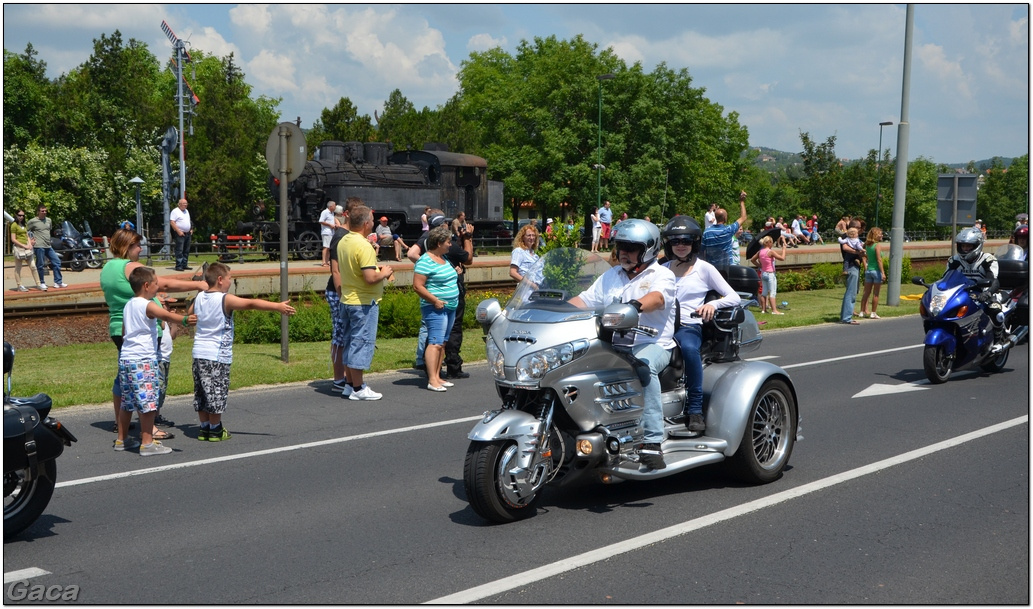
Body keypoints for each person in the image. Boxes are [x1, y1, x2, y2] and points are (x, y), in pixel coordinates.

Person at [568, 219, 675, 470]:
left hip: (653, 343)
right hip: (614, 344)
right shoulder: (611, 275)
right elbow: (584, 300)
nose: (623, 252)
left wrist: (635, 306)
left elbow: (658, 298)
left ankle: (652, 442)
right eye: (620, 246)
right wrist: (556, 311)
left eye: (630, 246)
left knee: (643, 367)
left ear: (648, 249)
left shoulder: (662, 275)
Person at [101, 229, 208, 438]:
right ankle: (150, 429)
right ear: (127, 246)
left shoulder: (107, 268)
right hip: (142, 331)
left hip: (119, 327)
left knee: (123, 379)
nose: (141, 249)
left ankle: (120, 425)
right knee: (147, 379)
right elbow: (163, 284)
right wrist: (197, 284)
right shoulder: (131, 267)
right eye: (137, 245)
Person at [188, 263, 296, 441]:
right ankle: (215, 429)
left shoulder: (199, 297)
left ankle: (204, 427)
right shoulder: (224, 299)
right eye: (230, 278)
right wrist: (277, 306)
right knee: (217, 391)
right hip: (217, 355)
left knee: (201, 392)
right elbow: (251, 303)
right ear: (220, 279)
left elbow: (191, 313)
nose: (231, 281)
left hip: (199, 353)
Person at [662, 216, 739, 434]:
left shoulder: (704, 269)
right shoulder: (662, 269)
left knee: (688, 349)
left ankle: (695, 409)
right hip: (661, 326)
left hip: (688, 325)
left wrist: (713, 303)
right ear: (669, 244)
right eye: (676, 241)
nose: (681, 245)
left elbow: (733, 297)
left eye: (686, 241)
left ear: (694, 243)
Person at [114, 266, 198, 455]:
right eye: (156, 283)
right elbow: (166, 315)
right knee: (148, 403)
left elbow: (123, 332)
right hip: (143, 360)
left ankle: (122, 439)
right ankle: (147, 443)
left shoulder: (129, 304)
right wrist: (185, 320)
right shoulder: (148, 304)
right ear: (146, 285)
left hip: (127, 359)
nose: (158, 287)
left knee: (127, 402)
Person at [336, 204, 395, 400]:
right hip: (363, 301)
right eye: (371, 219)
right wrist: (384, 272)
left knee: (349, 341)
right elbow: (369, 277)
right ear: (366, 223)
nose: (373, 222)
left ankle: (350, 384)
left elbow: (356, 270)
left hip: (347, 299)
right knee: (361, 343)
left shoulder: (344, 241)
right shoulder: (364, 245)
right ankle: (359, 388)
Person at [412, 225, 460, 392]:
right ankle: (432, 379)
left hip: (450, 306)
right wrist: (435, 300)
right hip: (436, 308)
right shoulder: (425, 261)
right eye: (448, 242)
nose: (450, 244)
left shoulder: (444, 258)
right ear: (439, 243)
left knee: (443, 343)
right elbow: (418, 286)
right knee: (435, 342)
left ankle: (438, 376)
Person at [407, 209, 447, 374]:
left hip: (432, 283)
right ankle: (422, 359)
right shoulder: (429, 237)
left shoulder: (430, 236)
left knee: (429, 323)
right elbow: (411, 253)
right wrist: (431, 264)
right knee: (427, 323)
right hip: (431, 284)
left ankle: (425, 358)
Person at [444, 215, 475, 380]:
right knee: (454, 328)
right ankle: (453, 366)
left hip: (436, 294)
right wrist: (468, 238)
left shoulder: (426, 242)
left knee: (436, 331)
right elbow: (468, 258)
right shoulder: (448, 247)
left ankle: (431, 368)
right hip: (453, 293)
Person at [326, 203, 352, 394]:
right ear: (348, 214)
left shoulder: (350, 236)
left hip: (347, 290)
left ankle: (347, 377)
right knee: (340, 335)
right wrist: (341, 294)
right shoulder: (339, 236)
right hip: (338, 291)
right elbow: (335, 270)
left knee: (346, 335)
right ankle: (338, 379)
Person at [701, 190, 748, 271]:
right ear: (725, 218)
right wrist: (742, 202)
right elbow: (743, 217)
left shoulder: (707, 232)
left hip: (712, 269)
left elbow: (702, 251)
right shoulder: (728, 230)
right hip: (727, 268)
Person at [25, 204, 67, 289]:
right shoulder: (32, 221)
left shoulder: (49, 220)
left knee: (57, 262)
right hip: (39, 246)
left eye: (45, 211)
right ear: (38, 212)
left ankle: (58, 282)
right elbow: (25, 230)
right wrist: (30, 240)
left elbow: (48, 230)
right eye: (42, 211)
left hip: (48, 245)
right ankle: (41, 282)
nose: (44, 212)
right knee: (40, 264)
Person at [750, 235, 787, 315]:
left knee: (764, 292)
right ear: (769, 243)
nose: (772, 243)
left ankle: (763, 310)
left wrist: (760, 266)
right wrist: (784, 250)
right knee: (772, 292)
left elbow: (752, 260)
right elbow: (782, 258)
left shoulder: (760, 252)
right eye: (772, 242)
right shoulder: (770, 252)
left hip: (763, 273)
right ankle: (774, 310)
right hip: (770, 274)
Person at [9, 210, 42, 292]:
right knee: (18, 268)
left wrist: (30, 243)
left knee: (33, 266)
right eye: (19, 215)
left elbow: (26, 235)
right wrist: (23, 245)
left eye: (23, 215)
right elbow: (13, 239)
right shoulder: (14, 225)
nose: (21, 217)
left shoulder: (24, 224)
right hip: (19, 248)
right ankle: (19, 285)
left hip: (27, 248)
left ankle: (38, 284)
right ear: (16, 215)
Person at [839, 227, 866, 324]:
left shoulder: (854, 238)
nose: (859, 231)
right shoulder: (847, 236)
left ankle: (844, 317)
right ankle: (847, 318)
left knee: (850, 293)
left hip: (854, 267)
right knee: (851, 293)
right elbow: (845, 248)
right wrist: (858, 252)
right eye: (859, 228)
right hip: (851, 267)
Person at [858, 227, 886, 319]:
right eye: (880, 234)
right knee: (876, 293)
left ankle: (861, 311)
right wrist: (883, 273)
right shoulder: (877, 245)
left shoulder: (867, 245)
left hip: (869, 270)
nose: (881, 235)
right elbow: (879, 259)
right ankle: (873, 313)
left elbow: (863, 255)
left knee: (866, 292)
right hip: (876, 271)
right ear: (875, 235)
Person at [170, 197, 194, 271]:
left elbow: (188, 221)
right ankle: (179, 265)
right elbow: (172, 222)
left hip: (187, 233)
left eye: (186, 203)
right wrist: (178, 231)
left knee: (186, 250)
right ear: (179, 204)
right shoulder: (175, 211)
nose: (185, 205)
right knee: (179, 250)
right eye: (184, 204)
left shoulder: (186, 211)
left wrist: (191, 229)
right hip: (180, 233)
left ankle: (184, 264)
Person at [318, 200, 337, 267]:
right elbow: (321, 221)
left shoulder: (332, 213)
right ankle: (323, 262)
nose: (335, 207)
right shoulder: (325, 212)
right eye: (334, 206)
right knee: (326, 247)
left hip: (331, 232)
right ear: (331, 206)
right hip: (326, 232)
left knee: (329, 247)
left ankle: (327, 261)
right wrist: (330, 225)